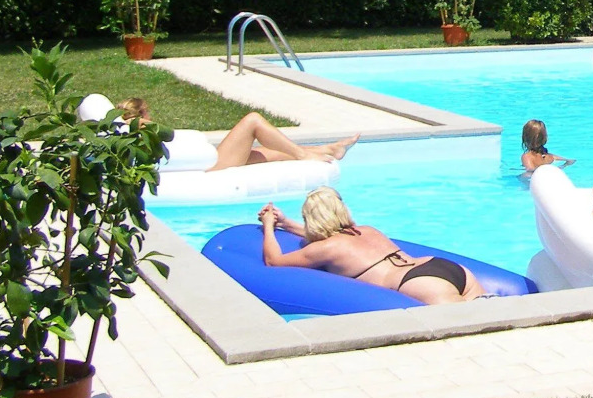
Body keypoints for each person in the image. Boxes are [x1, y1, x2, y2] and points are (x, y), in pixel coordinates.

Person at [258, 187, 485, 304]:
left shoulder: (324, 249)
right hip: (444, 268)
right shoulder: (367, 230)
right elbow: (331, 234)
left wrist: (269, 225)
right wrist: (286, 223)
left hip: (420, 284)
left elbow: (273, 261)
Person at [119, 98, 359, 172]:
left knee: (262, 153)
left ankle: (328, 149)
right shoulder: (140, 127)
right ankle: (303, 154)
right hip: (209, 166)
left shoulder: (127, 130)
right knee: (253, 120)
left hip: (207, 160)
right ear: (141, 113)